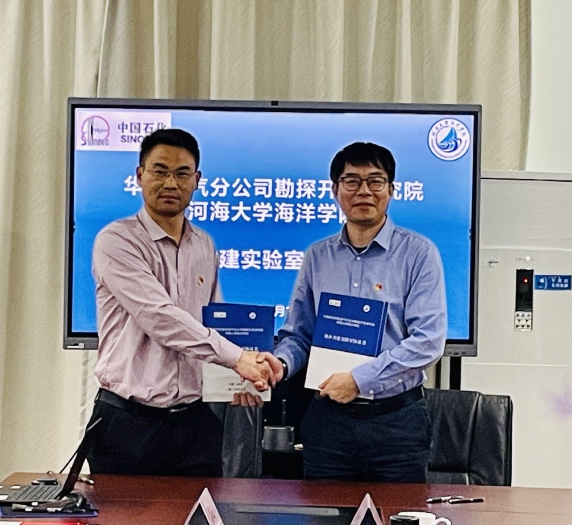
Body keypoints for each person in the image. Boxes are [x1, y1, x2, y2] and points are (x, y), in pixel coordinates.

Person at [85, 128, 274, 477]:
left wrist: (238, 383)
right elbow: (160, 317)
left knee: (202, 507)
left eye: (182, 173)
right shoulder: (117, 240)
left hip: (195, 422)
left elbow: (215, 323)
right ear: (140, 175)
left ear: (197, 180)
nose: (170, 183)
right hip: (128, 421)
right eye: (160, 171)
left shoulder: (204, 244)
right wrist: (239, 359)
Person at [260, 141, 447, 482]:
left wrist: (359, 380)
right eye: (352, 181)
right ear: (335, 190)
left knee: (398, 511)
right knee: (326, 509)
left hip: (396, 423)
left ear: (391, 189)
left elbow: (428, 341)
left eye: (375, 181)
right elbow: (299, 335)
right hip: (329, 422)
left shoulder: (419, 254)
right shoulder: (318, 257)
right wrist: (280, 364)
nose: (364, 191)